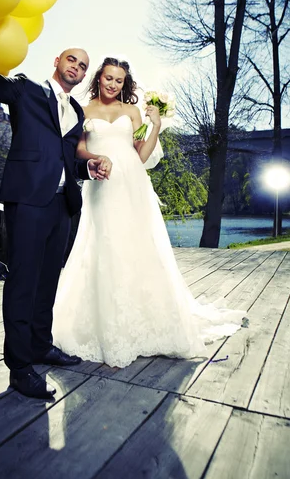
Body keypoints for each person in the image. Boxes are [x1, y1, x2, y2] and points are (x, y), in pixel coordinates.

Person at [52, 57, 245, 368]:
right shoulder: (83, 110)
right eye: (108, 78)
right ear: (99, 78)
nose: (113, 84)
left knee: (137, 246)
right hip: (103, 181)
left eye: (119, 80)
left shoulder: (131, 111)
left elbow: (141, 155)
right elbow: (78, 150)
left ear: (124, 83)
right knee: (105, 244)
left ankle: (146, 320)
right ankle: (107, 323)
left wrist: (155, 124)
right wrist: (97, 157)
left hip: (132, 183)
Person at [0, 49, 112, 398]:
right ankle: (21, 368)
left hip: (62, 205)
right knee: (23, 281)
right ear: (57, 61)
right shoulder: (26, 91)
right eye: (73, 60)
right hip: (27, 200)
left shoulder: (78, 111)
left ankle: (41, 345)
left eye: (84, 66)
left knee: (48, 280)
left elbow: (68, 159)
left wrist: (88, 168)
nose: (78, 68)